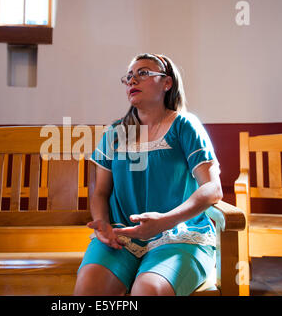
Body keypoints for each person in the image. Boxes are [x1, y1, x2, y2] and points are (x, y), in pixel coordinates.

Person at [73, 53, 223, 296]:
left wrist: (164, 222)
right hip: (120, 237)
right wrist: (102, 224)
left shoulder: (185, 125)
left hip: (179, 236)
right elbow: (100, 192)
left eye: (143, 73)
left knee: (148, 290)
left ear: (167, 83)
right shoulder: (115, 132)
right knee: (88, 289)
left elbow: (212, 188)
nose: (132, 80)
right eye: (129, 76)